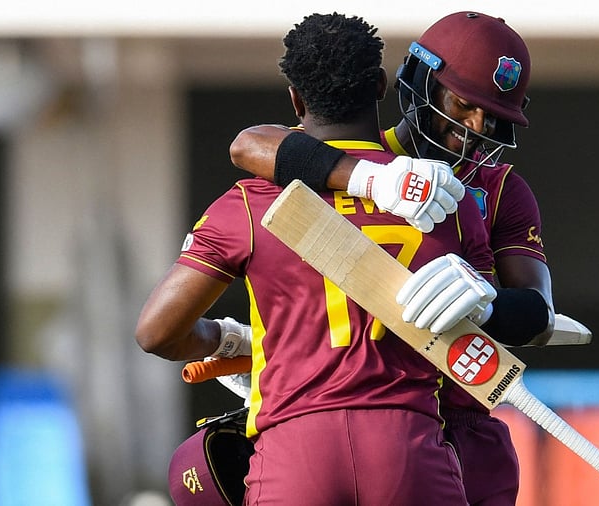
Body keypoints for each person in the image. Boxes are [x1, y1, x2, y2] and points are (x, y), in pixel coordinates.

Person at [136, 13, 500, 505]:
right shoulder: (446, 199)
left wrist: (227, 340)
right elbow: (482, 350)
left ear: (295, 99)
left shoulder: (247, 203)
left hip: (296, 450)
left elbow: (156, 333)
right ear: (380, 86)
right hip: (409, 451)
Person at [224, 12, 562, 506]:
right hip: (358, 418)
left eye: (493, 117)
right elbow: (247, 145)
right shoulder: (348, 159)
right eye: (465, 105)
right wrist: (375, 179)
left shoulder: (500, 187)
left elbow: (539, 314)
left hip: (460, 425)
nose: (475, 128)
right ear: (422, 82)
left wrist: (485, 304)